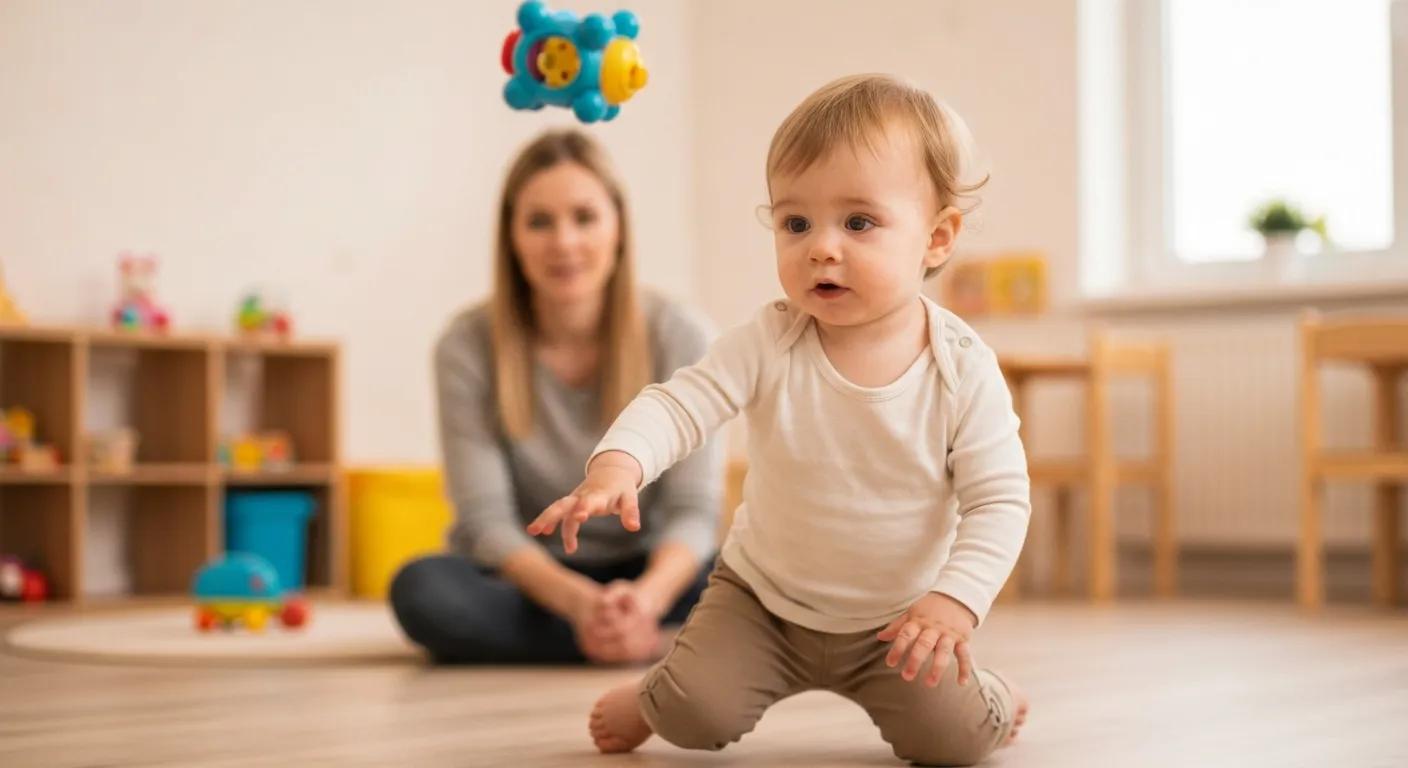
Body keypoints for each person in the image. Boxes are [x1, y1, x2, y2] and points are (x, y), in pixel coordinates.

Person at [530, 75, 1033, 764]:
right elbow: (682, 403)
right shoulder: (770, 340)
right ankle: (654, 696)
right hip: (762, 602)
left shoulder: (963, 369)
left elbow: (999, 500)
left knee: (956, 744)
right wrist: (619, 464)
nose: (821, 247)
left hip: (902, 620)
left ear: (937, 237)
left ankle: (989, 697)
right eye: (796, 223)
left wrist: (955, 601)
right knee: (694, 715)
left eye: (858, 222)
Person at [391, 128, 723, 665]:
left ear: (618, 227)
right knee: (423, 591)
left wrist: (645, 599)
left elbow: (694, 510)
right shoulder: (466, 345)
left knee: (764, 575)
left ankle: (629, 633)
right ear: (512, 238)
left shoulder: (682, 334)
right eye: (539, 221)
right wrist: (582, 605)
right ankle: (648, 643)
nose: (563, 242)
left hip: (655, 572)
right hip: (532, 578)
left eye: (584, 217)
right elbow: (484, 521)